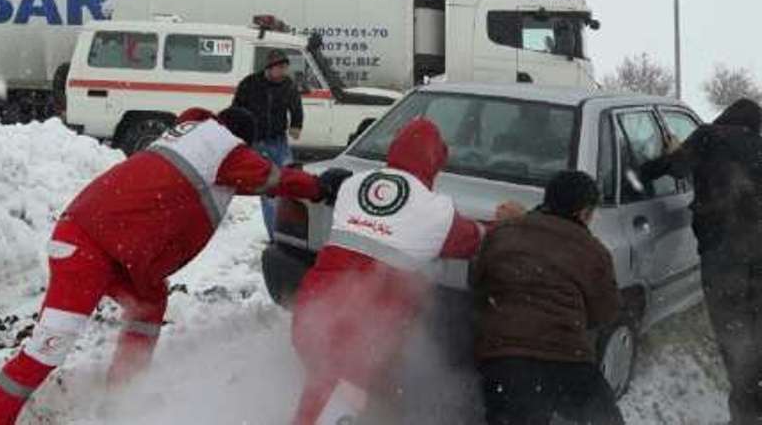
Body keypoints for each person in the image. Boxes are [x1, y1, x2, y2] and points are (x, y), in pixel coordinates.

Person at [0, 107, 348, 425]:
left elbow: (245, 180)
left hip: (110, 249)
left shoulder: (194, 139)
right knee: (46, 349)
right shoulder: (226, 153)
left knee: (150, 303)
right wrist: (320, 187)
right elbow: (273, 177)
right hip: (87, 250)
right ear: (240, 140)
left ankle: (122, 396)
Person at [290, 118, 501, 425]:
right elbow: (474, 240)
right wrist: (507, 222)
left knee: (330, 388)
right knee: (335, 403)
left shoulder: (354, 185)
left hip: (313, 308)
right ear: (435, 162)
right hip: (361, 327)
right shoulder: (435, 210)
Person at [641, 98, 762, 425]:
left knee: (733, 334)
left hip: (724, 258)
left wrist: (645, 168)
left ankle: (745, 414)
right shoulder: (758, 145)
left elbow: (674, 168)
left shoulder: (709, 136)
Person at [472, 170, 624, 425]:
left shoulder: (502, 234)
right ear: (584, 213)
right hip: (569, 362)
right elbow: (606, 312)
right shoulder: (594, 251)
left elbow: (478, 283)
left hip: (504, 361)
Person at [232, 48, 304, 241]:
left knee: (289, 182)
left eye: (285, 67)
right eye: (280, 67)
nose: (283, 71)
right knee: (270, 189)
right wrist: (239, 135)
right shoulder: (249, 84)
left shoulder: (288, 85)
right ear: (269, 68)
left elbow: (296, 107)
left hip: (279, 141)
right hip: (258, 143)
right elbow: (236, 110)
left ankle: (289, 229)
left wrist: (296, 125)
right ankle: (275, 236)